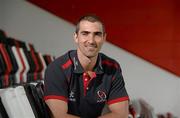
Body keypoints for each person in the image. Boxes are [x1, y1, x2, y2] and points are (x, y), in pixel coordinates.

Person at [44, 14, 129, 118]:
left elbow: (121, 114)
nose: (91, 40)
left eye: (97, 34)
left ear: (104, 38)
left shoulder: (112, 68)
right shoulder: (57, 69)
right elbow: (58, 116)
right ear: (76, 37)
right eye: (85, 33)